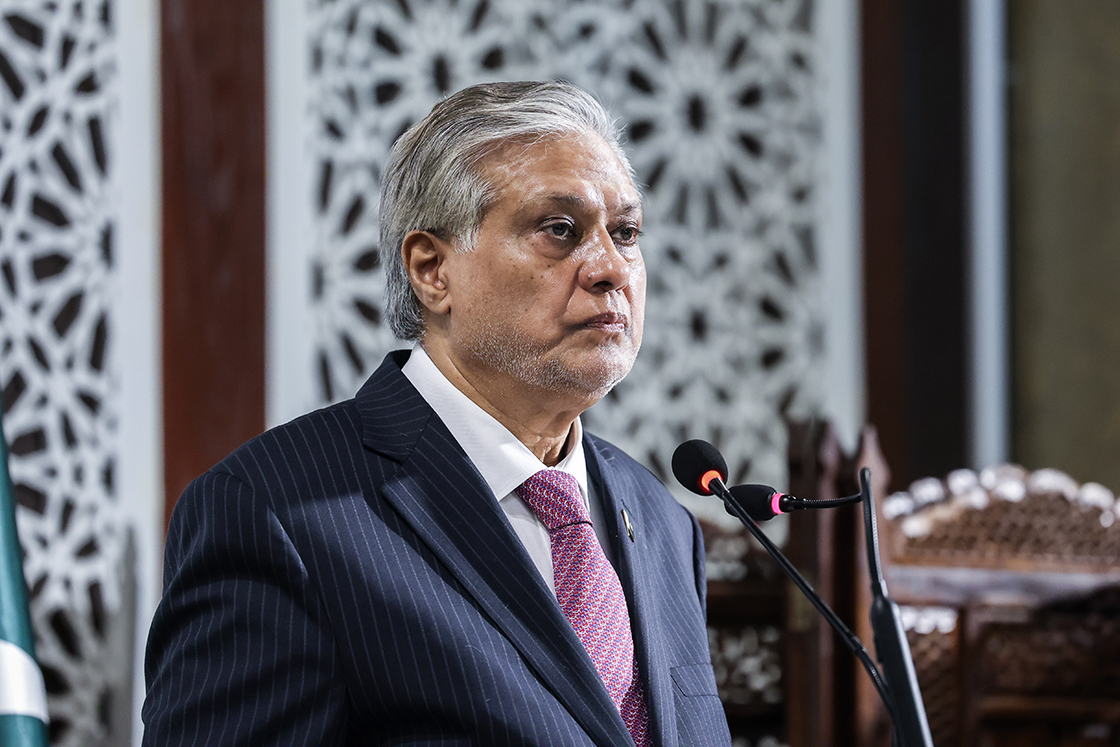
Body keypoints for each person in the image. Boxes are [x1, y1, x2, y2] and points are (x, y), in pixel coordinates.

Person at [142, 80, 731, 746]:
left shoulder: (661, 519)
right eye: (560, 230)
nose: (610, 268)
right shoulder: (275, 511)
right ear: (431, 270)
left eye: (624, 232)